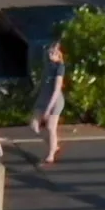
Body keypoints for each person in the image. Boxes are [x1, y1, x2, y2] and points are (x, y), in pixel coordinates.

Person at [35, 38, 70, 166]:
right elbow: (43, 81)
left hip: (54, 101)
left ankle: (51, 154)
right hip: (43, 98)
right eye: (51, 51)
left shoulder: (59, 68)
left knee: (50, 127)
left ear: (59, 54)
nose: (51, 54)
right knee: (34, 126)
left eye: (55, 52)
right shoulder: (47, 64)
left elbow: (56, 91)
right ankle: (53, 144)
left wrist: (48, 109)